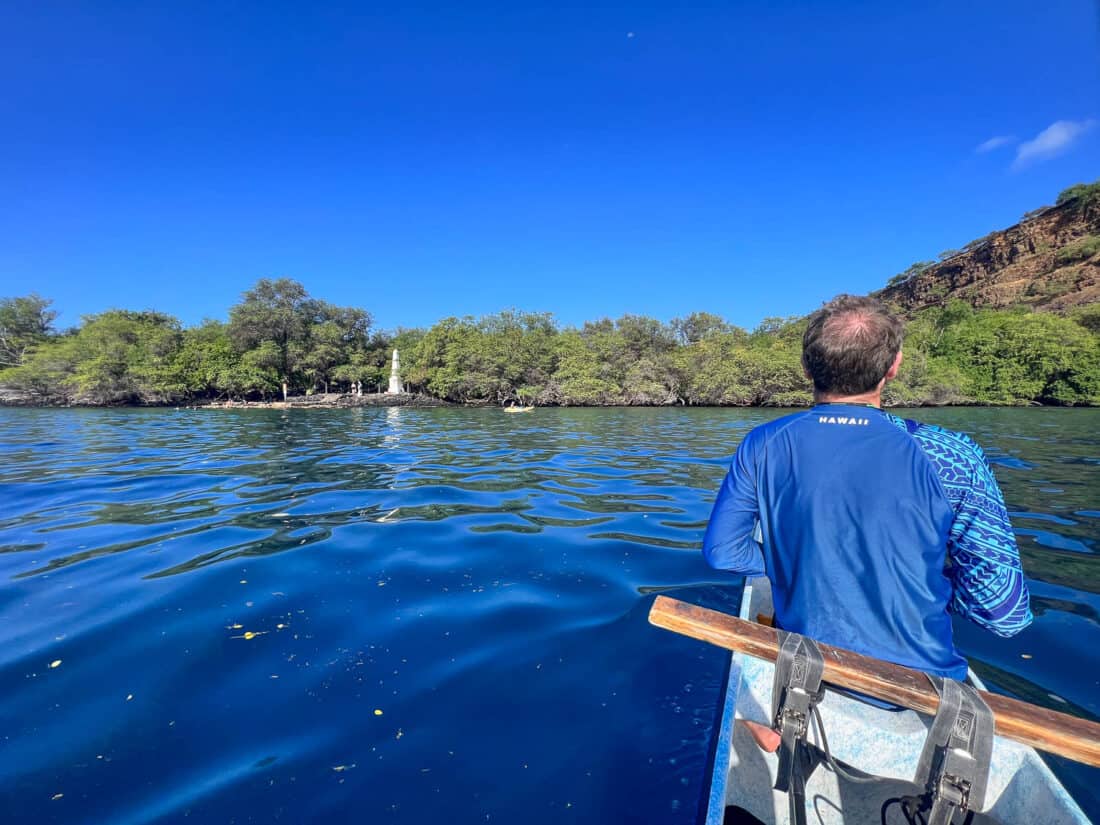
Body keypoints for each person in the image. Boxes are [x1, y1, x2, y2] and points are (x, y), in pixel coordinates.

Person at [702, 295, 1032, 682]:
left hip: (808, 672)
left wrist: (792, 562)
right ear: (893, 367)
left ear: (807, 368)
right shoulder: (955, 456)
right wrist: (921, 580)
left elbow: (724, 553)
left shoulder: (763, 443)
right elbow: (1002, 611)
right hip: (925, 686)